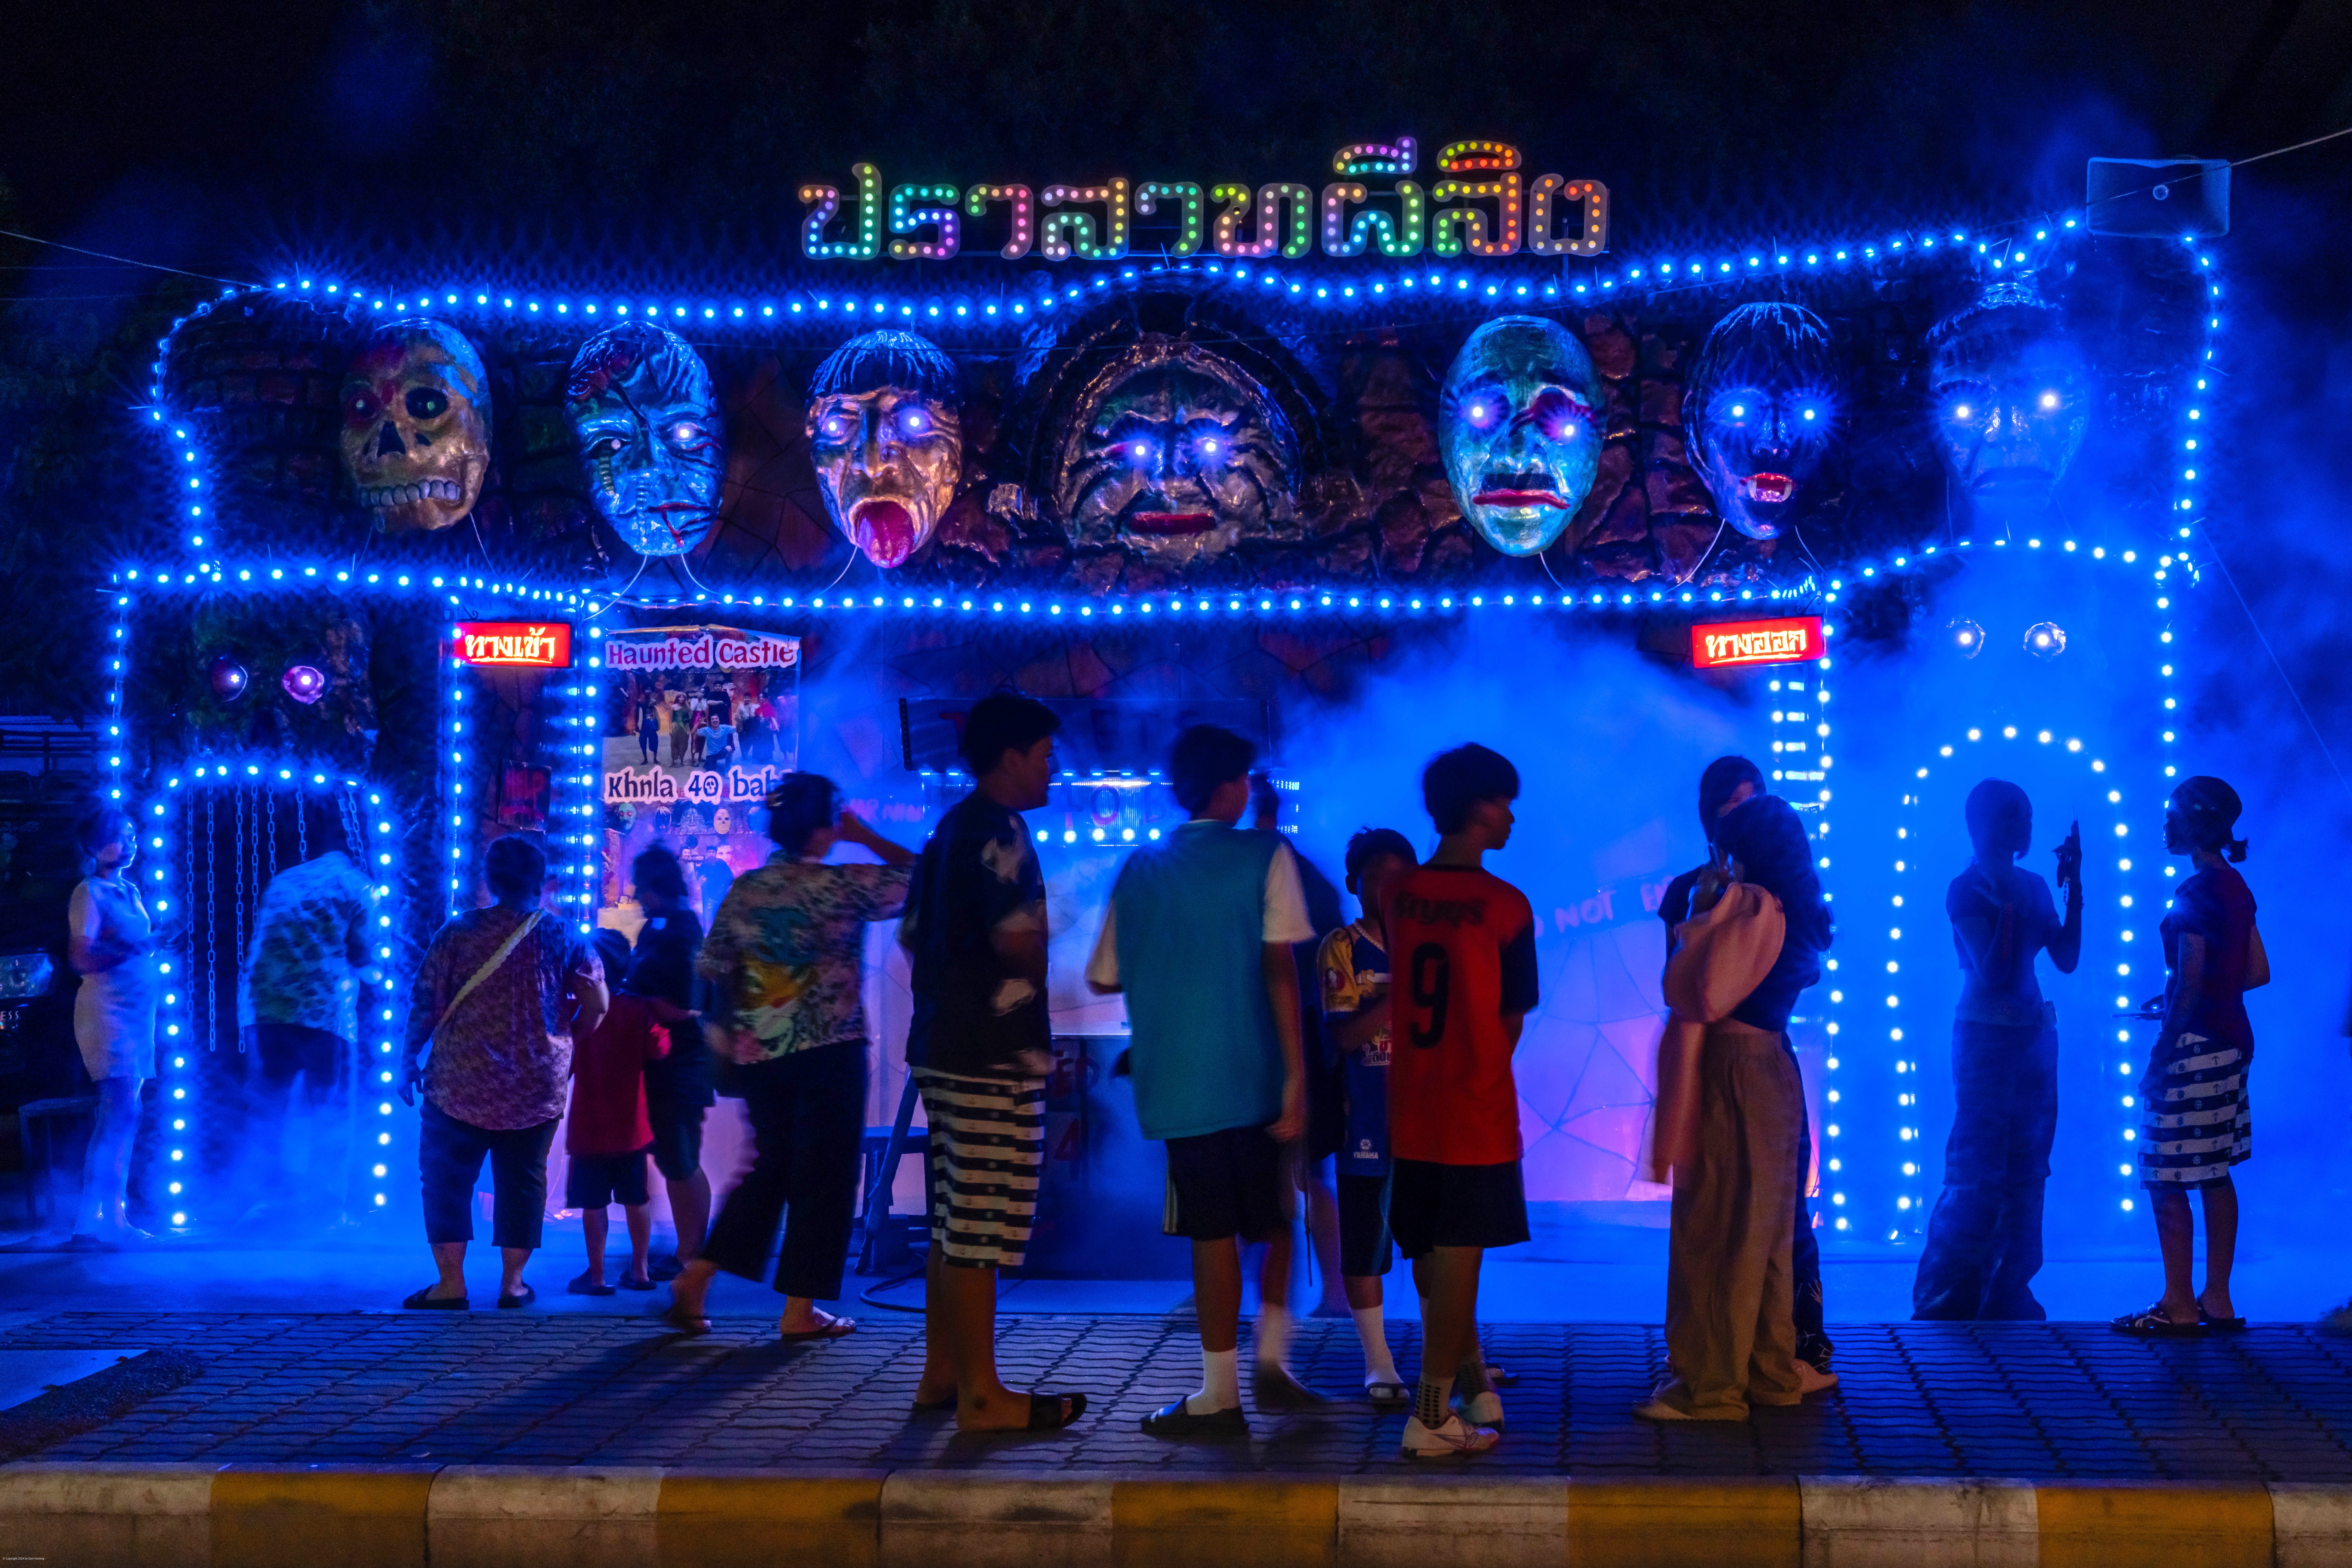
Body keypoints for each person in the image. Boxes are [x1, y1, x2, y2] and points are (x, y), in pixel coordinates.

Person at [1089, 724, 1315, 1438]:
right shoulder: (1265, 853)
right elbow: (1280, 969)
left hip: (1177, 1084)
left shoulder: (1140, 868)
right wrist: (1296, 1076)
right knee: (1276, 1219)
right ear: (1231, 785)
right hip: (1254, 1076)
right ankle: (1273, 1362)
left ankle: (1219, 1395)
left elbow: (1104, 974)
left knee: (1209, 1233)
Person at [666, 774, 917, 1341]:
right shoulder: (841, 886)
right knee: (824, 1180)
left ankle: (696, 1279)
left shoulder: (747, 889)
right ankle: (799, 1311)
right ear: (827, 824)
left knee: (771, 1169)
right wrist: (865, 836)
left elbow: (708, 968)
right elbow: (922, 878)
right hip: (830, 1049)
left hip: (762, 1053)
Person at [898, 694, 1086, 1431]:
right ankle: (983, 1395)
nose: (1052, 769)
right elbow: (1019, 942)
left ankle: (943, 1373)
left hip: (944, 1042)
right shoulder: (1004, 833)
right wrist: (1052, 923)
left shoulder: (949, 828)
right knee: (980, 1221)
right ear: (1011, 757)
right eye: (1046, 755)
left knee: (952, 1219)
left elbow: (913, 936)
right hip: (991, 1050)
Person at [1638, 789, 1833, 1421]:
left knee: (1719, 1227)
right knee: (1766, 1232)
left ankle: (1713, 1386)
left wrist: (1699, 914)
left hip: (1732, 1071)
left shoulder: (1748, 907)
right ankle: (1766, 1370)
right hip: (1772, 1065)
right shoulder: (1798, 912)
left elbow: (1695, 990)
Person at [1382, 745, 1538, 1457]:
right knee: (1459, 1256)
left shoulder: (1398, 893)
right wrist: (1481, 1067)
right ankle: (1431, 1411)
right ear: (1481, 806)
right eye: (1505, 802)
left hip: (1410, 1101)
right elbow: (1512, 1015)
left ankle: (1475, 1387)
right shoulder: (1506, 906)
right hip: (1474, 1106)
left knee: (1431, 1256)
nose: (1511, 816)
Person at [399, 835, 607, 1310]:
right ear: (541, 882)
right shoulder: (564, 936)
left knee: (447, 1181)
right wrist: (570, 1040)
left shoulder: (457, 934)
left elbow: (425, 1004)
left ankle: (451, 1283)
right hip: (534, 1085)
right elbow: (597, 1002)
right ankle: (513, 1284)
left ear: (489, 880)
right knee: (523, 1181)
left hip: (458, 1083)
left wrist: (406, 1058)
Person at [1913, 781, 2082, 1321]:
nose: (2027, 829)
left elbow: (2066, 957)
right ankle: (1950, 1291)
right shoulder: (1966, 890)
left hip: (2032, 1036)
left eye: (2029, 817)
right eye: (2018, 818)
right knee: (1977, 1165)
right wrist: (2011, 908)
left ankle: (2009, 1285)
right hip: (1986, 1036)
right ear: (1991, 824)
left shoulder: (2031, 885)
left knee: (2029, 1163)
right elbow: (1993, 974)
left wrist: (2072, 888)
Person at [2114, 776, 2259, 1336]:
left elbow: (2192, 975)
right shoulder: (2236, 888)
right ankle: (2215, 1299)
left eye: (2172, 815)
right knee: (2215, 1171)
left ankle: (2176, 1304)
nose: (2164, 825)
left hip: (2193, 1046)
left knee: (2164, 1171)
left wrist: (2161, 1049)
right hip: (2232, 1040)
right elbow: (2253, 971)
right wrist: (2187, 992)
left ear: (2194, 823)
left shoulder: (2195, 895)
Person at [1315, 827, 1418, 1406]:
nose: (1388, 891)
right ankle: (1378, 1364)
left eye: (1399, 878)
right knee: (1364, 1245)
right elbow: (1347, 1036)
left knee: (1437, 1245)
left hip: (1426, 1121)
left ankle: (1457, 1357)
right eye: (1375, 879)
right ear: (1354, 885)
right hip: (1366, 1125)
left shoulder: (1431, 939)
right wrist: (1399, 994)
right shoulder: (1342, 948)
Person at [1251, 774, 1350, 1321]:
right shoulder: (1310, 875)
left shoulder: (1261, 870)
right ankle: (1331, 1294)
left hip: (1283, 1042)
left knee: (1285, 1176)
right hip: (1308, 1040)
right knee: (1306, 1177)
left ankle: (1326, 1294)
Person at [238, 839, 377, 1227]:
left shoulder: (284, 880)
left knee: (272, 1107)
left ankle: (265, 1201)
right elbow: (361, 953)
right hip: (324, 1013)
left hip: (268, 1008)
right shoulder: (357, 886)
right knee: (328, 1109)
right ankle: (327, 1207)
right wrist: (380, 978)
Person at [64, 806, 158, 1250]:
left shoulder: (131, 891)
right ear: (94, 845)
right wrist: (134, 950)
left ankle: (111, 1216)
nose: (130, 842)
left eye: (132, 833)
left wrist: (149, 947)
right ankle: (91, 1220)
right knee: (119, 1111)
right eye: (119, 836)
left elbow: (137, 947)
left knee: (126, 1113)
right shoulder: (90, 893)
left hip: (138, 1013)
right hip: (108, 1012)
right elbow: (81, 957)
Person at [565, 928, 666, 1295]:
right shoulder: (640, 1008)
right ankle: (640, 1270)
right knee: (636, 1197)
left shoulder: (579, 1010)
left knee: (593, 1203)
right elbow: (660, 1049)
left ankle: (597, 1277)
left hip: (589, 1125)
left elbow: (566, 1063)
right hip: (632, 1125)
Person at [626, 846, 712, 1280]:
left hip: (679, 1062)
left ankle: (691, 1253)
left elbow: (685, 1006)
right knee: (676, 1158)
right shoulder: (668, 927)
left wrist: (641, 1002)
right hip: (672, 1063)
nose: (638, 895)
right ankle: (690, 1249)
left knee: (680, 1159)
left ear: (655, 886)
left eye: (641, 887)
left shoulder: (678, 932)